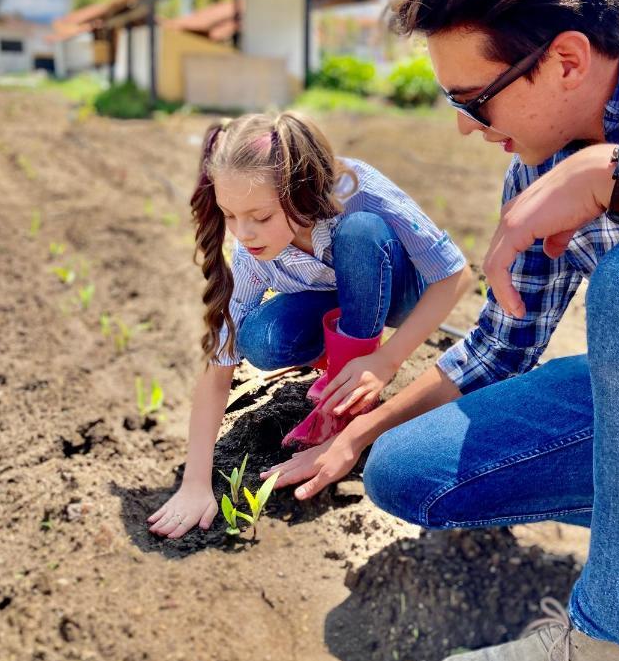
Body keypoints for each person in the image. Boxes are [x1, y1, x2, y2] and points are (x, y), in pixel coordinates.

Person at [263, 0, 619, 661]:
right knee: (412, 472)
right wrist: (358, 434)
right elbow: (500, 348)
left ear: (563, 59)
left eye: (472, 101)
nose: (465, 129)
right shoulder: (538, 163)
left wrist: (617, 180)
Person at [148, 110, 470, 540]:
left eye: (260, 217)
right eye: (229, 215)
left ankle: (346, 399)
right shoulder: (250, 258)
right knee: (259, 339)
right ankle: (337, 370)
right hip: (335, 300)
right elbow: (218, 368)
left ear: (299, 191)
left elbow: (454, 276)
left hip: (397, 288)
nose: (243, 233)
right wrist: (195, 484)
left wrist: (386, 360)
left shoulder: (357, 188)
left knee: (359, 233)